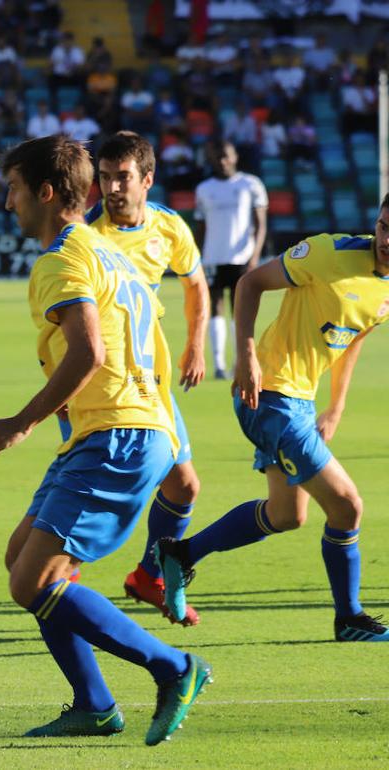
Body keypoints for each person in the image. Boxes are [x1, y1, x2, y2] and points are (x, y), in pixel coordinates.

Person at [0, 135, 210, 743]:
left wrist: (21, 421)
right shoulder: (109, 254)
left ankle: (174, 667)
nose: (9, 203)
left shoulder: (63, 259)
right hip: (115, 430)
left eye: (15, 189)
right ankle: (94, 704)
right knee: (22, 559)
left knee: (32, 582)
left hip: (116, 436)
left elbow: (88, 351)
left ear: (47, 193)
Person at [156, 202, 389, 643]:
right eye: (383, 226)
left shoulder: (385, 288)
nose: (386, 239)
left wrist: (335, 406)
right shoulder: (328, 253)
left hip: (298, 402)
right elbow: (249, 283)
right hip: (269, 395)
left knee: (285, 515)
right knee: (347, 506)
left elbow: (354, 339)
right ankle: (350, 618)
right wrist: (245, 356)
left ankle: (181, 553)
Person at [86, 132, 209, 626]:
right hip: (102, 382)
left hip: (151, 378)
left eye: (123, 177)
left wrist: (195, 345)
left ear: (147, 180)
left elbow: (196, 284)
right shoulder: (88, 238)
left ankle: (148, 576)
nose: (112, 187)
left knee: (184, 485)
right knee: (101, 493)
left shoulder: (169, 227)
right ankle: (56, 579)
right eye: (105, 177)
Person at [194, 141, 267, 380]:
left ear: (235, 156)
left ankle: (239, 361)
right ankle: (218, 364)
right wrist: (198, 257)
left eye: (226, 156)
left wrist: (255, 256)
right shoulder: (204, 189)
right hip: (213, 256)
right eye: (217, 157)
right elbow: (201, 226)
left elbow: (260, 224)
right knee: (214, 307)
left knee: (239, 311)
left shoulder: (251, 184)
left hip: (242, 257)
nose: (222, 161)